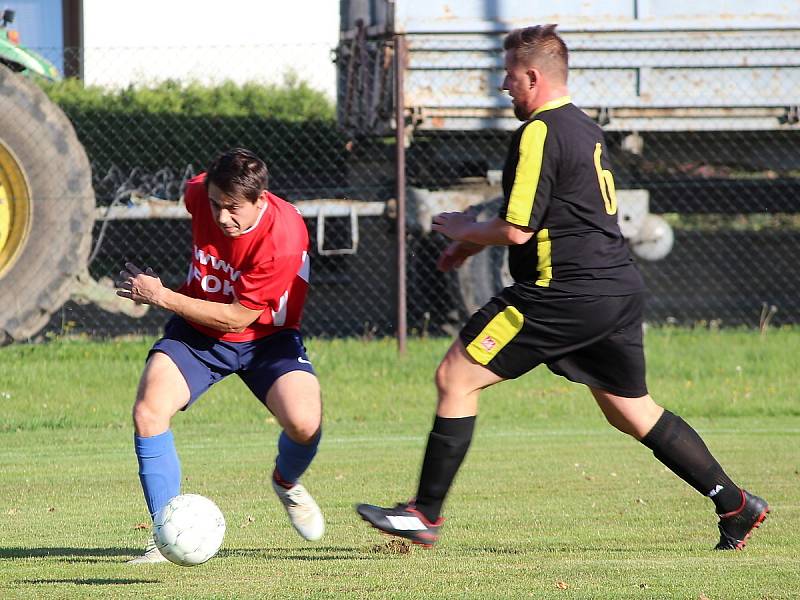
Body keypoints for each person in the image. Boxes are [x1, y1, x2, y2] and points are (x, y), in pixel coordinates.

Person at [356, 25, 768, 551]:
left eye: (507, 74)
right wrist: (471, 246)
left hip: (561, 293)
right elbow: (554, 215)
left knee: (455, 377)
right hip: (615, 290)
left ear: (531, 76)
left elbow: (517, 229)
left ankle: (424, 515)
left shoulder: (539, 132)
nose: (502, 85)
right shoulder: (585, 128)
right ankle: (735, 504)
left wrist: (465, 231)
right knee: (632, 410)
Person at [117, 148, 325, 563]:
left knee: (305, 423)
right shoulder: (199, 194)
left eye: (233, 208)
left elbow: (235, 319)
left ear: (260, 200)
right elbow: (194, 192)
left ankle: (286, 482)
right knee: (149, 410)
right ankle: (165, 531)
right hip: (198, 335)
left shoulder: (282, 239)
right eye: (216, 204)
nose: (222, 217)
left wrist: (161, 296)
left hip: (267, 337)